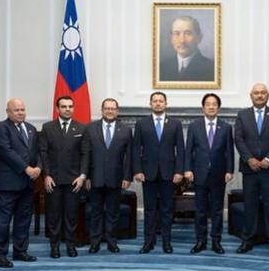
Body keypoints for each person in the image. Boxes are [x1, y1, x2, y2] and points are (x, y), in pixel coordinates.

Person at [233, 83, 269, 255]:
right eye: (256, 93)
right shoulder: (243, 115)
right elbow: (238, 139)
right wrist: (249, 159)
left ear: (268, 96)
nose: (259, 95)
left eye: (263, 93)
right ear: (251, 96)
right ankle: (248, 240)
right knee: (250, 205)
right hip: (250, 170)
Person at [0, 98, 41, 268]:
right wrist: (27, 169)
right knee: (4, 221)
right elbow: (6, 152)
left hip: (28, 183)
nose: (20, 113)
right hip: (8, 183)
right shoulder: (0, 128)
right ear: (8, 112)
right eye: (16, 110)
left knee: (23, 219)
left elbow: (37, 152)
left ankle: (20, 251)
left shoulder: (32, 129)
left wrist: (39, 168)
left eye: (22, 109)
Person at [133, 91, 184, 254]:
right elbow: (136, 149)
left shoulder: (175, 123)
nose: (158, 103)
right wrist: (137, 170)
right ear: (150, 104)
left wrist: (179, 171)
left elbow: (180, 150)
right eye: (155, 101)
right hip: (147, 173)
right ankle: (148, 242)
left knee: (167, 209)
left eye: (161, 101)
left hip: (169, 173)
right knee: (149, 209)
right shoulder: (141, 123)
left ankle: (167, 242)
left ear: (166, 104)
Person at [39, 96, 90, 259]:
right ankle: (54, 247)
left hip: (74, 181)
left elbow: (85, 154)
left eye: (70, 106)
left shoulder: (82, 128)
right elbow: (43, 153)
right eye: (64, 106)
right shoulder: (47, 128)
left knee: (71, 215)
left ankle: (70, 245)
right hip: (53, 180)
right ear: (57, 109)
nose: (67, 109)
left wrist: (82, 176)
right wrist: (46, 175)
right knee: (53, 215)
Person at [184, 93, 234, 254]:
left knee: (217, 210)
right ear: (203, 107)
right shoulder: (194, 126)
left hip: (219, 175)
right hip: (199, 174)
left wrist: (229, 170)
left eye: (214, 104)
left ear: (218, 108)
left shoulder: (226, 127)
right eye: (208, 104)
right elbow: (189, 150)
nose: (211, 107)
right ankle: (201, 241)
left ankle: (216, 241)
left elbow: (229, 151)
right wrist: (188, 169)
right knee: (200, 210)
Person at [85, 98, 132, 253]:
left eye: (113, 108)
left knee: (113, 212)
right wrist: (86, 176)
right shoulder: (90, 128)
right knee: (95, 212)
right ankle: (95, 242)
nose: (110, 111)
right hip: (95, 178)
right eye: (107, 108)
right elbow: (86, 154)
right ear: (102, 109)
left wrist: (127, 177)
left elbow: (129, 156)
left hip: (116, 179)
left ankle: (112, 241)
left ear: (117, 111)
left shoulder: (125, 130)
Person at [158, 16, 215, 82]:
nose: (182, 40)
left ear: (199, 37)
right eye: (177, 34)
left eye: (188, 33)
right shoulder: (162, 67)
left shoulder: (212, 69)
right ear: (171, 38)